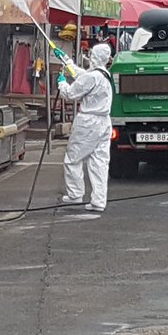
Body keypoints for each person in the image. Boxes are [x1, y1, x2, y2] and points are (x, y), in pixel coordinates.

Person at [57, 43, 115, 212]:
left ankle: (75, 194)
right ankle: (98, 201)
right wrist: (67, 61)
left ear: (94, 56)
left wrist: (62, 84)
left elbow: (71, 93)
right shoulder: (103, 75)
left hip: (89, 122)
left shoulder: (93, 77)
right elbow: (83, 77)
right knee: (99, 161)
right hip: (104, 122)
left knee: (73, 159)